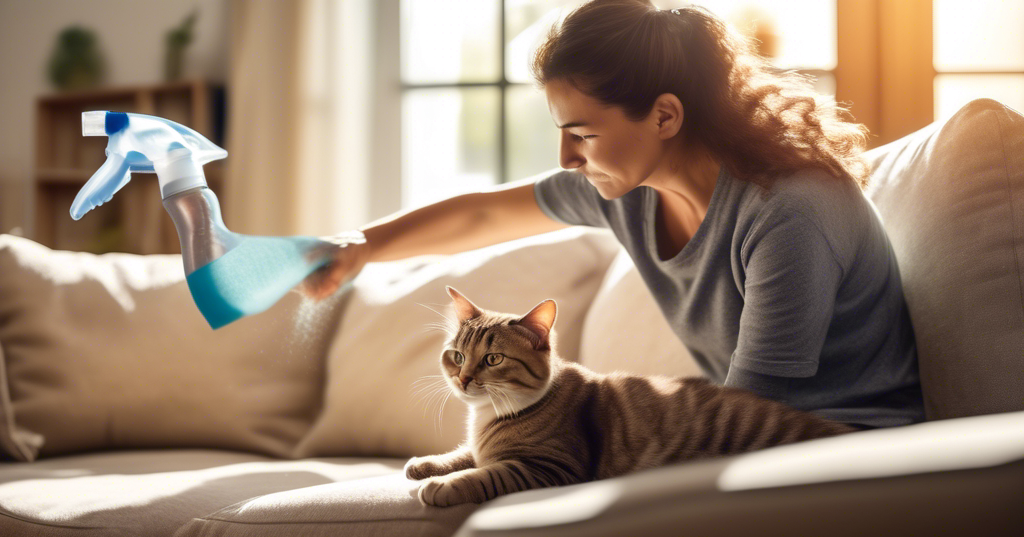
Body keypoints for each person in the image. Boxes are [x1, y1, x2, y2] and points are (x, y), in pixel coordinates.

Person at [298, 0, 924, 430]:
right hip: (749, 438)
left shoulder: (789, 214)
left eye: (582, 134)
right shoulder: (626, 189)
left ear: (665, 117)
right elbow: (485, 216)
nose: (567, 157)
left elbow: (751, 416)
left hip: (846, 452)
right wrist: (361, 244)